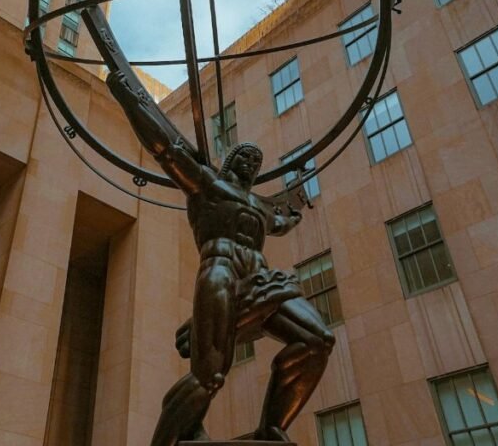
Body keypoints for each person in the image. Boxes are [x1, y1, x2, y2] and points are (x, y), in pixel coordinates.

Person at [103, 66, 335, 446]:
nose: (251, 164)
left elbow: (286, 216)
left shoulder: (260, 205)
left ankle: (272, 427)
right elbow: (165, 148)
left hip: (262, 283)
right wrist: (127, 98)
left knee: (317, 340)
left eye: (256, 163)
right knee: (210, 376)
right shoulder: (207, 185)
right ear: (229, 162)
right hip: (221, 275)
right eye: (244, 158)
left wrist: (300, 191)